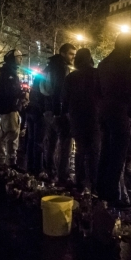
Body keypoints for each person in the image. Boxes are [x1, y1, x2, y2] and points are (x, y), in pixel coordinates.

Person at [97, 33, 131, 206]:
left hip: (105, 112)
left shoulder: (104, 63)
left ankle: (100, 188)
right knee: (118, 155)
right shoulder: (128, 63)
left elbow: (97, 90)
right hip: (120, 112)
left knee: (105, 151)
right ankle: (111, 194)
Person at [62, 48, 101, 194]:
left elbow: (64, 100)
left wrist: (67, 114)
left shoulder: (71, 78)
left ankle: (80, 181)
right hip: (94, 118)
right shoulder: (97, 74)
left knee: (80, 150)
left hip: (77, 119)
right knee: (94, 152)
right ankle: (94, 183)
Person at [42, 43, 76, 183]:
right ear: (62, 53)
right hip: (57, 111)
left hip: (47, 109)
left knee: (50, 142)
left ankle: (48, 169)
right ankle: (63, 175)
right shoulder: (61, 68)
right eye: (71, 54)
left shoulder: (49, 66)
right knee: (64, 143)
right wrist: (61, 111)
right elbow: (60, 91)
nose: (73, 57)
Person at [0, 49, 25, 166]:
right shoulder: (10, 75)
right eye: (18, 57)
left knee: (3, 135)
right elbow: (11, 92)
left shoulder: (6, 73)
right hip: (10, 109)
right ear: (12, 59)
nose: (21, 59)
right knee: (12, 136)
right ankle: (10, 163)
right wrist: (22, 94)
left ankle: (1, 162)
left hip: (6, 109)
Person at [25, 75, 46, 174]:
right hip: (38, 113)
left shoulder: (33, 89)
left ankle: (29, 165)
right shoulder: (42, 89)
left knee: (31, 139)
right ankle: (38, 167)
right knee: (38, 141)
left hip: (30, 111)